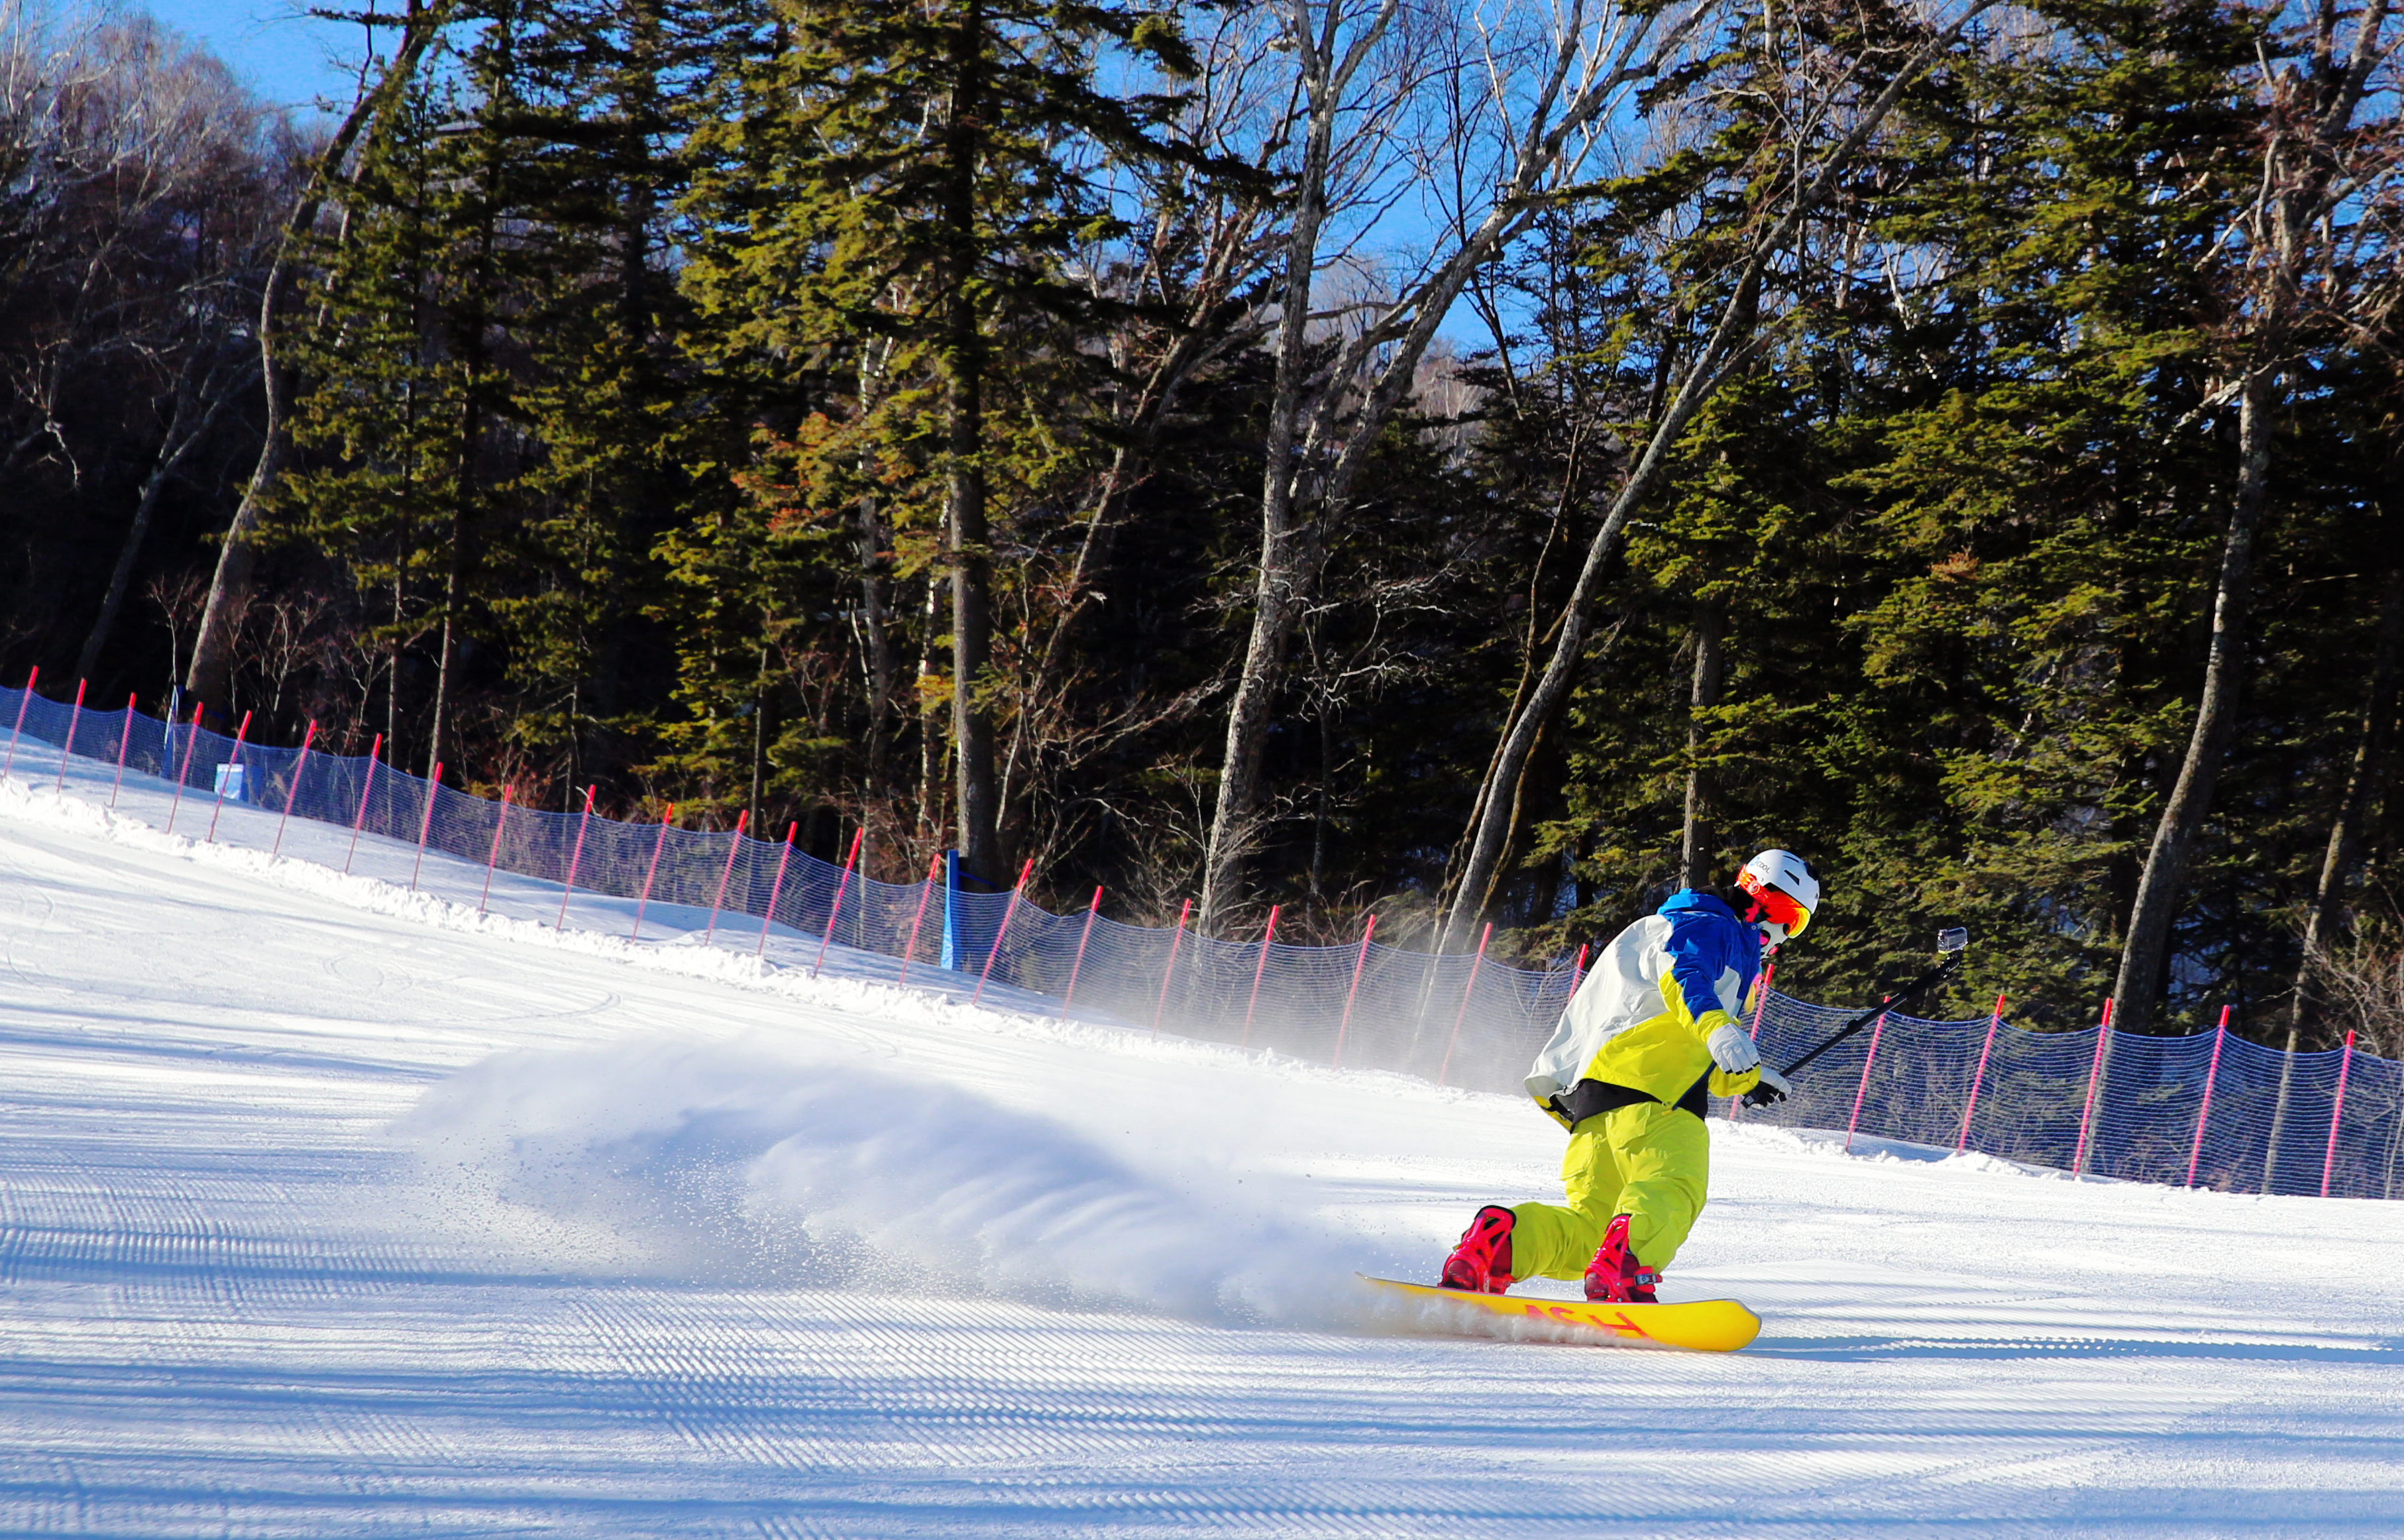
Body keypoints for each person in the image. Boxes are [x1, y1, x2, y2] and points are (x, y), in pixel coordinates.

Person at [1437, 850, 1819, 1303]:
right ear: (1759, 896)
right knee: (1673, 1188)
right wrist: (1719, 1028)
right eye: (1789, 916)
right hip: (1659, 1100)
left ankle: (1498, 1248)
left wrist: (1748, 1078)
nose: (1785, 933)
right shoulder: (1712, 927)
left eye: (1797, 924)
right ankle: (1627, 1268)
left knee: (1590, 1231)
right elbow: (1684, 977)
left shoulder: (1671, 927)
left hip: (1597, 1102)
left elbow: (1676, 1032)